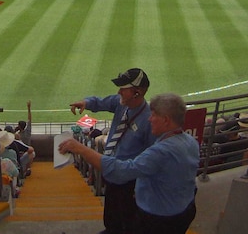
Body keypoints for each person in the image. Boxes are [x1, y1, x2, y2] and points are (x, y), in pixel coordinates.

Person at [59, 93, 199, 234]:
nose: (149, 119)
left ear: (166, 120)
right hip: (183, 211)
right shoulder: (190, 141)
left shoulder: (161, 151)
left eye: (154, 115)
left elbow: (122, 171)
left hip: (158, 220)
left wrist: (81, 149)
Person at [69, 68, 153, 234]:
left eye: (124, 88)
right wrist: (86, 103)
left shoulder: (149, 120)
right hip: (112, 173)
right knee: (111, 215)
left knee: (126, 221)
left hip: (129, 181)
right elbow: (101, 102)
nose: (119, 91)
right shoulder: (121, 104)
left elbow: (151, 158)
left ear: (137, 92)